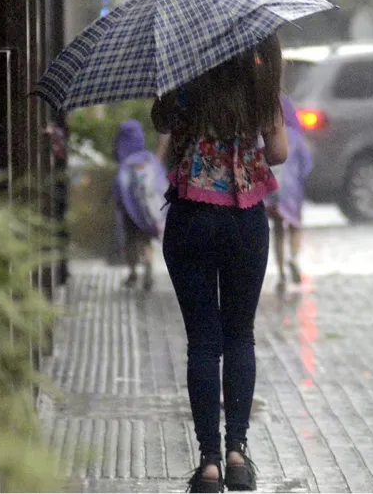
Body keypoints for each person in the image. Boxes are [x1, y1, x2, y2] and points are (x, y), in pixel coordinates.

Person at [152, 34, 288, 493]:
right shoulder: (259, 81)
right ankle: (236, 452)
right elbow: (279, 153)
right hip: (244, 220)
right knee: (239, 335)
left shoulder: (184, 82)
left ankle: (208, 462)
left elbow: (165, 137)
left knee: (203, 343)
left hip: (191, 219)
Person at [264, 95, 313, 293]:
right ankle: (293, 257)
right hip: (292, 193)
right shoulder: (297, 139)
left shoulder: (269, 137)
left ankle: (282, 272)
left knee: (277, 229)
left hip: (273, 191)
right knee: (294, 226)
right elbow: (306, 165)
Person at [112, 120, 168, 290]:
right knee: (146, 241)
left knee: (130, 241)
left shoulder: (125, 162)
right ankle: (148, 267)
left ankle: (132, 274)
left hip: (129, 211)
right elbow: (160, 184)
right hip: (147, 212)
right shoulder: (148, 159)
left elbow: (119, 187)